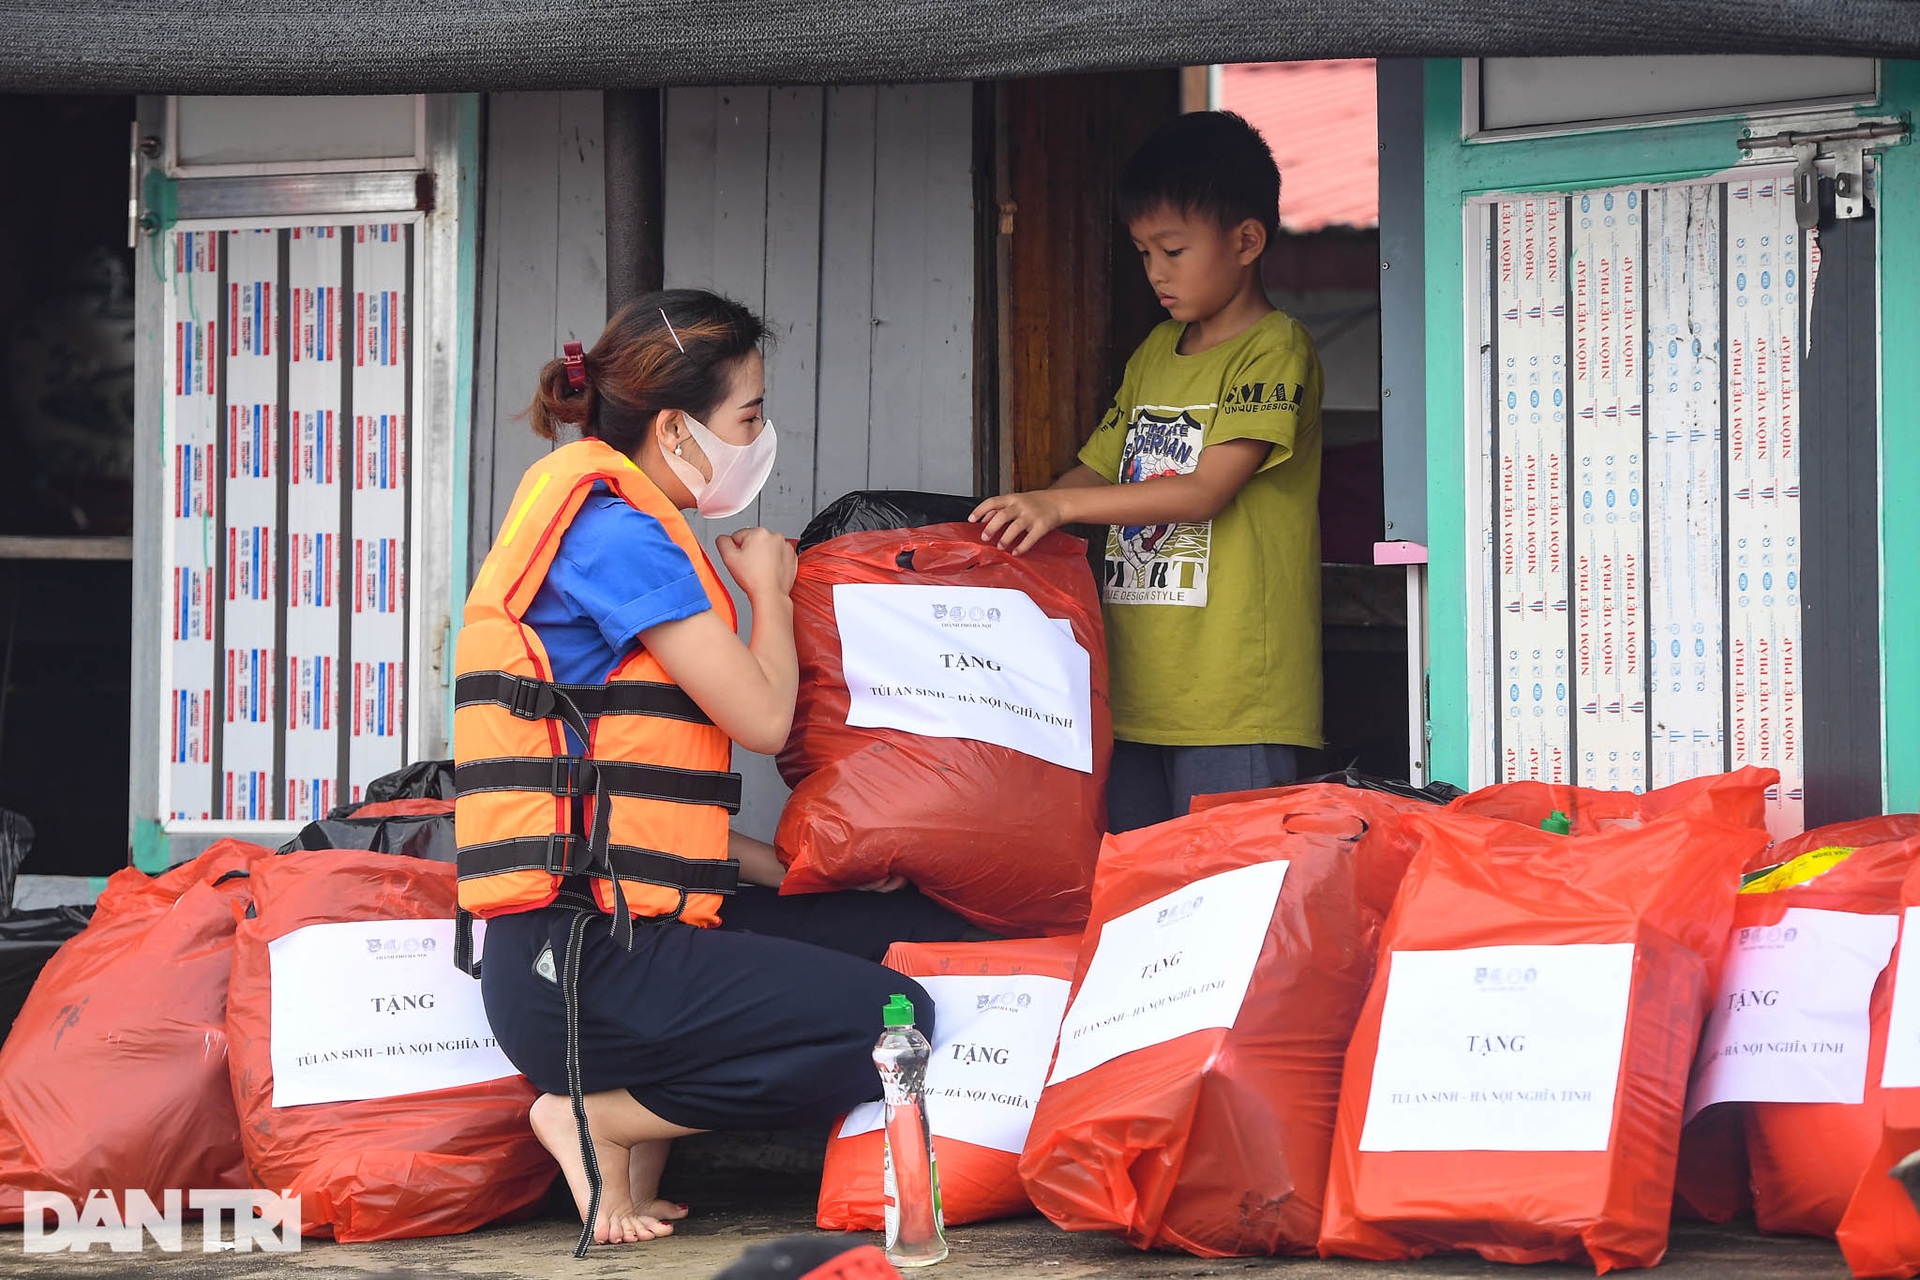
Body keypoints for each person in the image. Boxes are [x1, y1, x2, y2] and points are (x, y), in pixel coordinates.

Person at [455, 291, 981, 1251]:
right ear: (675, 430)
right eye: (748, 417)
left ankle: (629, 1138)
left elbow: (625, 801)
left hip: (612, 931)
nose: (761, 437)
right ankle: (599, 1117)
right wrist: (770, 592)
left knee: (902, 929)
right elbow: (764, 713)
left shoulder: (622, 521)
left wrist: (802, 872)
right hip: (581, 965)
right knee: (892, 1022)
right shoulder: (616, 537)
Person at [970, 111, 1325, 832]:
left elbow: (1204, 492)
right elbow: (1092, 473)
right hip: (1136, 696)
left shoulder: (1274, 350)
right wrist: (1008, 521)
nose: (1156, 273)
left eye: (1173, 249)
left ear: (1247, 241)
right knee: (1139, 899)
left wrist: (1060, 511)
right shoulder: (1156, 351)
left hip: (1235, 701)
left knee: (1223, 903)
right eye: (1142, 253)